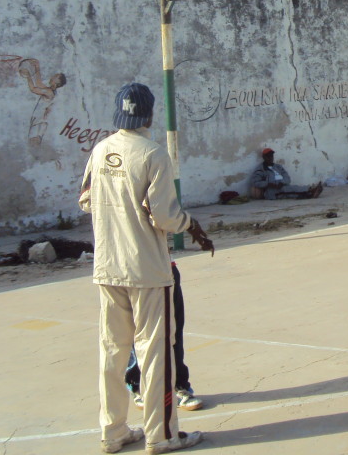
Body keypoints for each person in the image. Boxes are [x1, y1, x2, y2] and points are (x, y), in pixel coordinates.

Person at [79, 82, 209, 453]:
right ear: (149, 116)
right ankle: (161, 435)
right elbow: (166, 217)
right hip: (147, 271)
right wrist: (189, 223)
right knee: (156, 353)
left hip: (107, 266)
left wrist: (116, 207)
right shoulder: (154, 154)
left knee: (112, 350)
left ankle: (114, 431)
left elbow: (86, 200)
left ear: (118, 114)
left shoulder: (101, 150)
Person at [126, 262, 203, 412]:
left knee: (172, 331)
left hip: (163, 268)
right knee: (137, 333)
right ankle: (138, 385)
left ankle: (179, 385)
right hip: (130, 272)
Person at [248, 147, 323, 199]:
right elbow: (255, 182)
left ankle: (310, 191)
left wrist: (282, 182)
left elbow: (287, 178)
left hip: (281, 185)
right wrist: (268, 184)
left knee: (292, 188)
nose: (270, 158)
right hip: (271, 191)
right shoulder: (261, 169)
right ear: (264, 157)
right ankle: (310, 192)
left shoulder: (278, 167)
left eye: (271, 156)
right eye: (268, 156)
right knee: (289, 191)